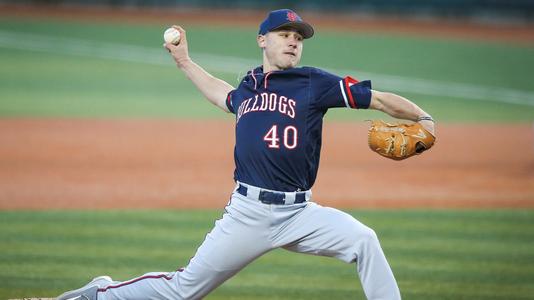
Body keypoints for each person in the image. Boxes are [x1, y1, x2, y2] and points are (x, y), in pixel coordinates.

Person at [58, 8, 435, 300]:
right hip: (248, 214)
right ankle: (100, 293)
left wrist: (423, 116)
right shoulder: (249, 85)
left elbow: (381, 100)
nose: (292, 42)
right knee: (184, 290)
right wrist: (185, 62)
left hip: (300, 212)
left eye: (298, 38)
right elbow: (224, 95)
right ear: (262, 40)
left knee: (363, 239)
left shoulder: (315, 83)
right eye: (284, 35)